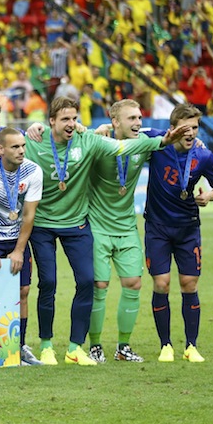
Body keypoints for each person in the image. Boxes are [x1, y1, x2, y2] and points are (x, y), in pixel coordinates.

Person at [24, 96, 186, 366]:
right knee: (58, 283)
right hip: (61, 223)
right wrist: (32, 127)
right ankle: (58, 345)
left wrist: (176, 139)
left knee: (104, 282)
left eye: (74, 118)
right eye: (64, 118)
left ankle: (94, 347)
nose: (71, 123)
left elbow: (130, 145)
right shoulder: (47, 141)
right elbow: (9, 143)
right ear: (51, 120)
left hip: (97, 224)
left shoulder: (91, 140)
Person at [145, 104, 213, 363]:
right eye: (186, 127)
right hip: (157, 226)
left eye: (195, 127)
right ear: (173, 128)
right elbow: (126, 130)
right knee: (161, 283)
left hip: (188, 227)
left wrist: (210, 196)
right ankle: (165, 344)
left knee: (189, 284)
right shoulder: (157, 141)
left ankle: (191, 345)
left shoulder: (203, 156)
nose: (191, 132)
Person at [87, 100, 156, 363]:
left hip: (127, 226)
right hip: (98, 226)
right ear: (115, 122)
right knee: (99, 286)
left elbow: (167, 139)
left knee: (133, 283)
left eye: (139, 117)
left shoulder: (143, 142)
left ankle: (123, 347)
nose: (137, 123)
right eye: (131, 118)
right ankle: (95, 346)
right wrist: (97, 131)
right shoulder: (98, 143)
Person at [0, 127, 43, 366]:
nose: (21, 151)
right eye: (15, 147)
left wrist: (19, 250)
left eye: (23, 146)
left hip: (16, 239)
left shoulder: (33, 171)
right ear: (0, 149)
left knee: (23, 292)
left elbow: (29, 215)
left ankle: (20, 347)